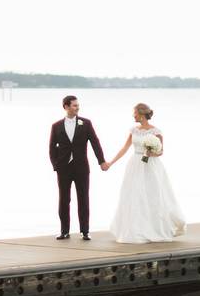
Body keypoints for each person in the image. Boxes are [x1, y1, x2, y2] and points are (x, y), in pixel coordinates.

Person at [105, 103, 186, 243]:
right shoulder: (133, 130)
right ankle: (135, 229)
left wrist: (150, 153)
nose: (133, 116)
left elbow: (161, 152)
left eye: (134, 113)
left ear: (141, 114)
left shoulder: (156, 132)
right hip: (134, 165)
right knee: (133, 196)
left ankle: (154, 228)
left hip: (151, 167)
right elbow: (124, 149)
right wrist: (110, 163)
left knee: (152, 196)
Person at [48, 95, 109, 241]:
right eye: (74, 105)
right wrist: (56, 165)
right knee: (64, 200)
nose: (77, 107)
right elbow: (51, 148)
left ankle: (85, 231)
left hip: (81, 167)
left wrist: (101, 161)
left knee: (83, 199)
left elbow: (95, 143)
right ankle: (64, 231)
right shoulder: (56, 126)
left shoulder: (86, 123)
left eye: (77, 105)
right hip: (63, 169)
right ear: (66, 107)